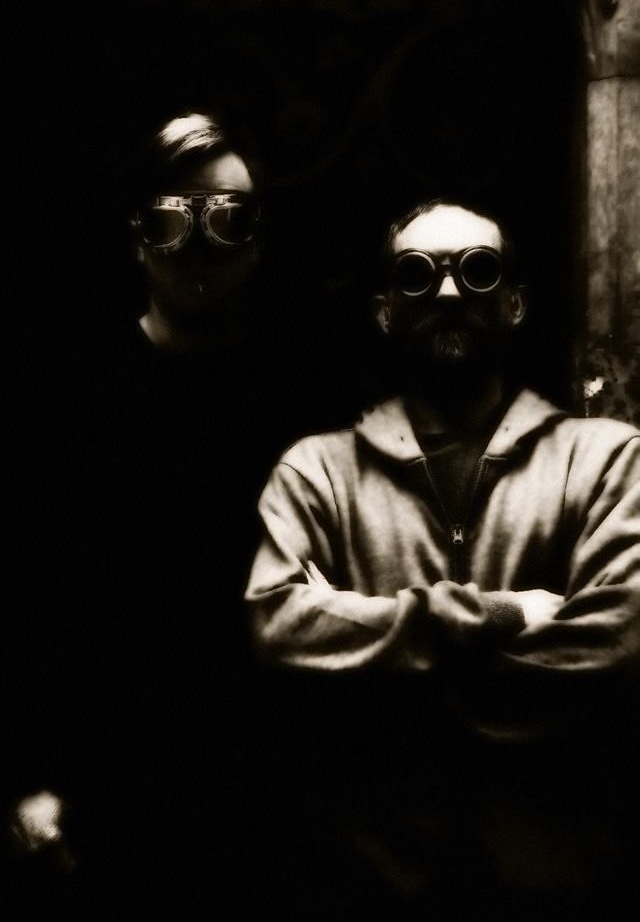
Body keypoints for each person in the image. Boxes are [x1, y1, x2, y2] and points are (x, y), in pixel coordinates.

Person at [245, 198, 640, 920]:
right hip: (373, 883)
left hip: (558, 878)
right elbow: (278, 628)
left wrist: (384, 683)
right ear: (385, 312)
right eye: (418, 274)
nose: (451, 292)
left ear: (515, 304)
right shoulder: (318, 474)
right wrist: (502, 614)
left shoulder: (605, 461)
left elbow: (621, 638)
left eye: (478, 271)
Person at [4, 110, 286, 918]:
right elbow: (25, 597)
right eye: (171, 220)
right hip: (106, 788)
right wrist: (25, 776)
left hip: (268, 786)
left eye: (226, 219)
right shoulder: (67, 401)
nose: (198, 245)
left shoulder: (301, 399)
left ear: (256, 242)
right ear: (138, 239)